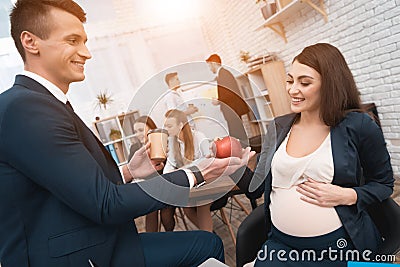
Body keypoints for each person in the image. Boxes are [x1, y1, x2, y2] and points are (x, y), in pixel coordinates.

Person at [0, 1, 254, 266]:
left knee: (206, 242)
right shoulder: (26, 108)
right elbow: (105, 204)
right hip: (79, 256)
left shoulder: (42, 104)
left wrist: (128, 172)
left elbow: (70, 183)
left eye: (85, 41)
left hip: (95, 241)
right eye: (72, 40)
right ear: (31, 42)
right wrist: (197, 173)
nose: (86, 53)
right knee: (206, 243)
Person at [231, 43, 394, 266]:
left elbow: (384, 185)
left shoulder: (359, 126)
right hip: (281, 247)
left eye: (304, 83)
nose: (292, 90)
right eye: (290, 81)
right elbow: (256, 188)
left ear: (330, 85)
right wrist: (235, 168)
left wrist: (347, 195)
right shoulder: (278, 127)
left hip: (339, 249)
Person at [121, 115, 175, 232]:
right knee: (151, 210)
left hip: (166, 186)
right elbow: (131, 174)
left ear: (151, 129)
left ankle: (169, 236)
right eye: (135, 131)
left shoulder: (163, 144)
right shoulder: (135, 148)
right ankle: (154, 240)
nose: (138, 134)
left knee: (166, 214)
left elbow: (169, 168)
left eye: (141, 130)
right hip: (148, 189)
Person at [163, 109, 214, 232]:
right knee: (187, 207)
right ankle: (210, 235)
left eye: (169, 126)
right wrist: (165, 176)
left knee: (199, 203)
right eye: (165, 126)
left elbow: (207, 159)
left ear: (181, 125)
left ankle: (209, 236)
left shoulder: (198, 136)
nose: (166, 129)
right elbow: (170, 163)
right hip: (192, 184)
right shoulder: (172, 141)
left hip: (208, 181)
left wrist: (182, 170)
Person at [206, 53, 249, 143]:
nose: (209, 69)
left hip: (232, 108)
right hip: (230, 109)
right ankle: (242, 151)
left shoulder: (224, 74)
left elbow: (230, 93)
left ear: (214, 63)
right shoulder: (221, 74)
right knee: (236, 132)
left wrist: (218, 101)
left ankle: (245, 152)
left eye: (210, 66)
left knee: (238, 133)